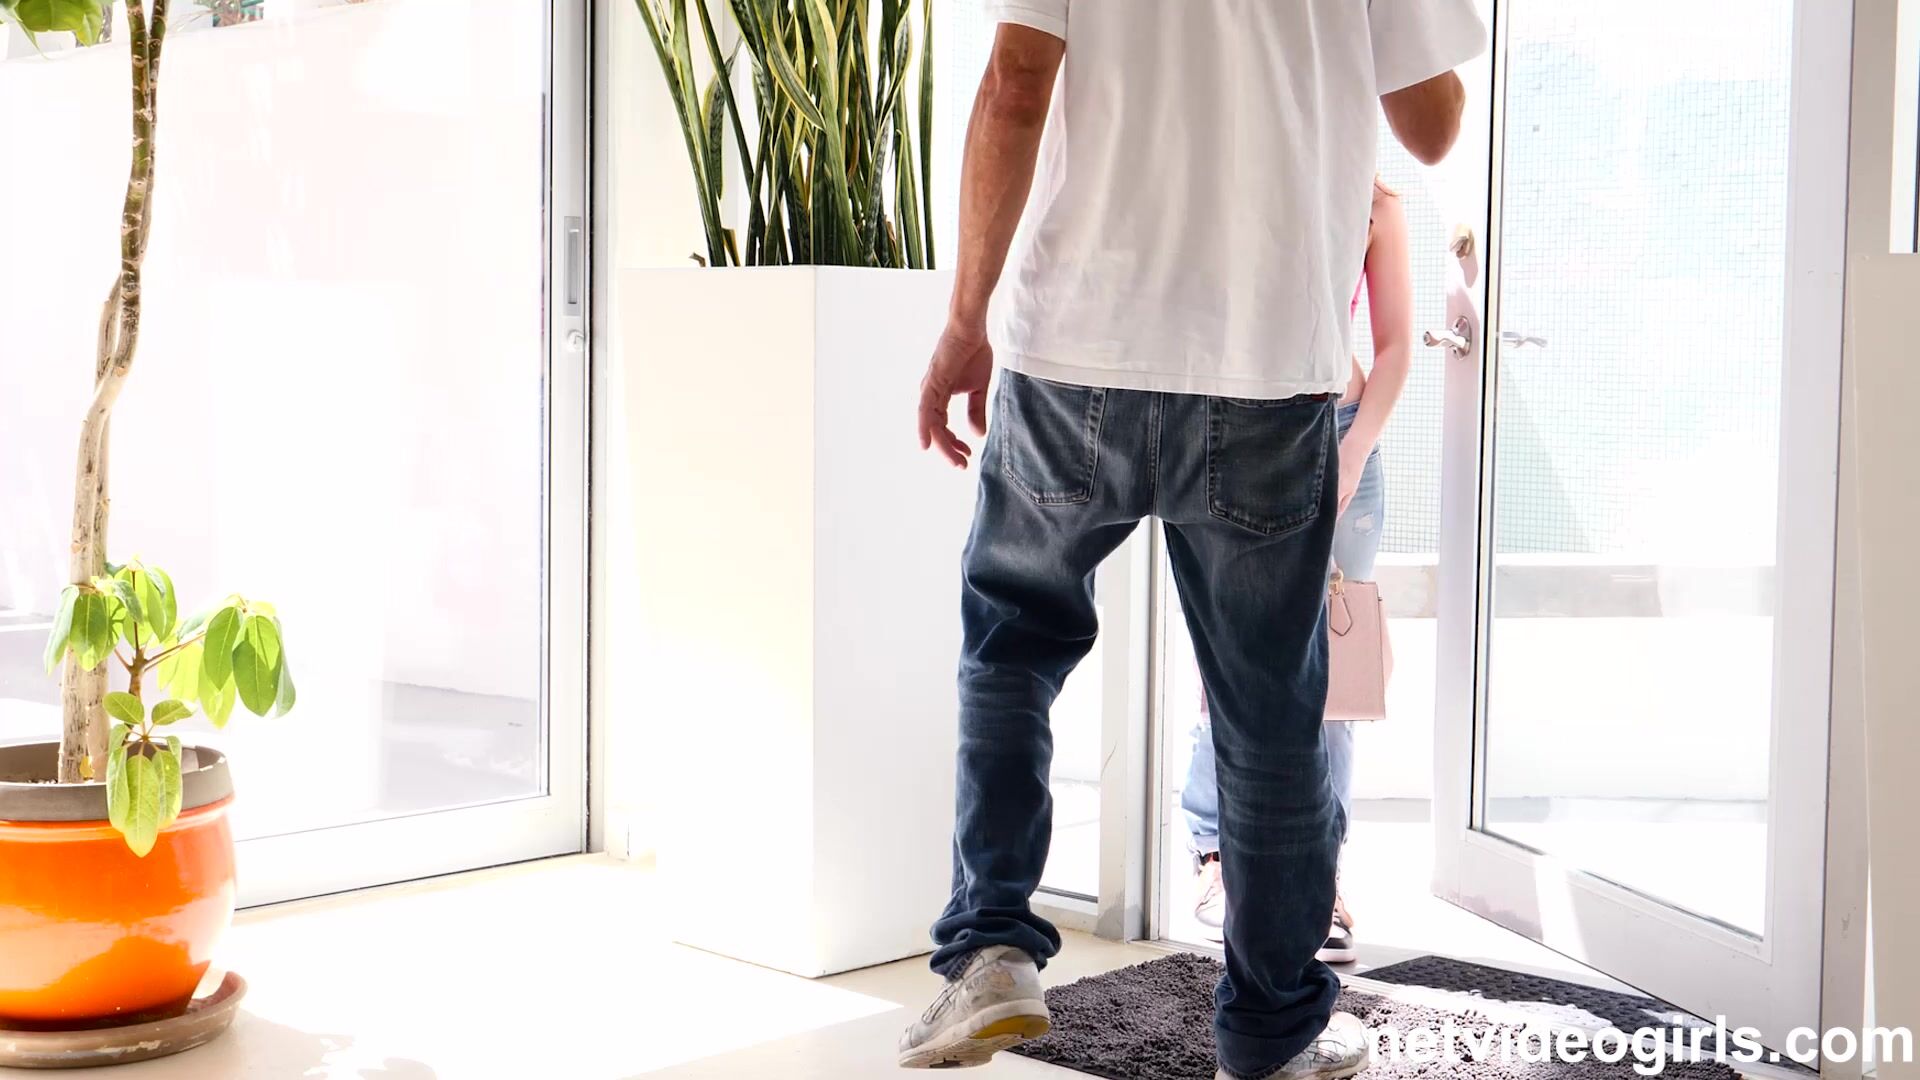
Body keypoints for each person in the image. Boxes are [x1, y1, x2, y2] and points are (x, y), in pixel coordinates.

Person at [901, 3, 1482, 1078]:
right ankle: (1271, 1031)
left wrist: (965, 320)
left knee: (1013, 651)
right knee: (1268, 710)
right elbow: (1435, 124)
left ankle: (990, 952)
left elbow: (1015, 84)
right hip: (1266, 358)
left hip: (1073, 349)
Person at [1186, 176, 1414, 965]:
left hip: (1342, 432)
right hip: (1238, 427)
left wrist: (1352, 453)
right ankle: (1220, 857)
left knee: (1334, 673)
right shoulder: (1234, 170)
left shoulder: (1375, 205)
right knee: (1230, 655)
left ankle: (1320, 876)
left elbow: (1396, 348)